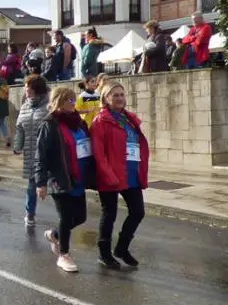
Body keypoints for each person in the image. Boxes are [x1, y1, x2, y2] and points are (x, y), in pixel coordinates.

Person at [35, 86, 94, 273]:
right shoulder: (49, 124)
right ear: (59, 101)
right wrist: (40, 183)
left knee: (80, 217)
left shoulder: (79, 122)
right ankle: (64, 255)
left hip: (79, 177)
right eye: (70, 100)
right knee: (66, 217)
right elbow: (41, 156)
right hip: (59, 178)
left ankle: (54, 234)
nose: (73, 103)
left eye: (74, 99)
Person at [91, 81, 149, 269]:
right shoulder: (100, 121)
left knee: (138, 212)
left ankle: (122, 248)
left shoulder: (128, 118)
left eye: (122, 95)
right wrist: (108, 174)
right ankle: (104, 253)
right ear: (106, 98)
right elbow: (99, 153)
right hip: (110, 174)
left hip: (131, 172)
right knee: (109, 214)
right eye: (115, 95)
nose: (119, 98)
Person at [13, 75, 49, 227]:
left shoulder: (49, 105)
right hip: (31, 153)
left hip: (48, 153)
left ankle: (65, 218)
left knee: (56, 185)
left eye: (27, 88)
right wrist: (17, 146)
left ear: (36, 89)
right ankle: (30, 214)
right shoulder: (25, 106)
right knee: (32, 185)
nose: (25, 91)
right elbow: (20, 128)